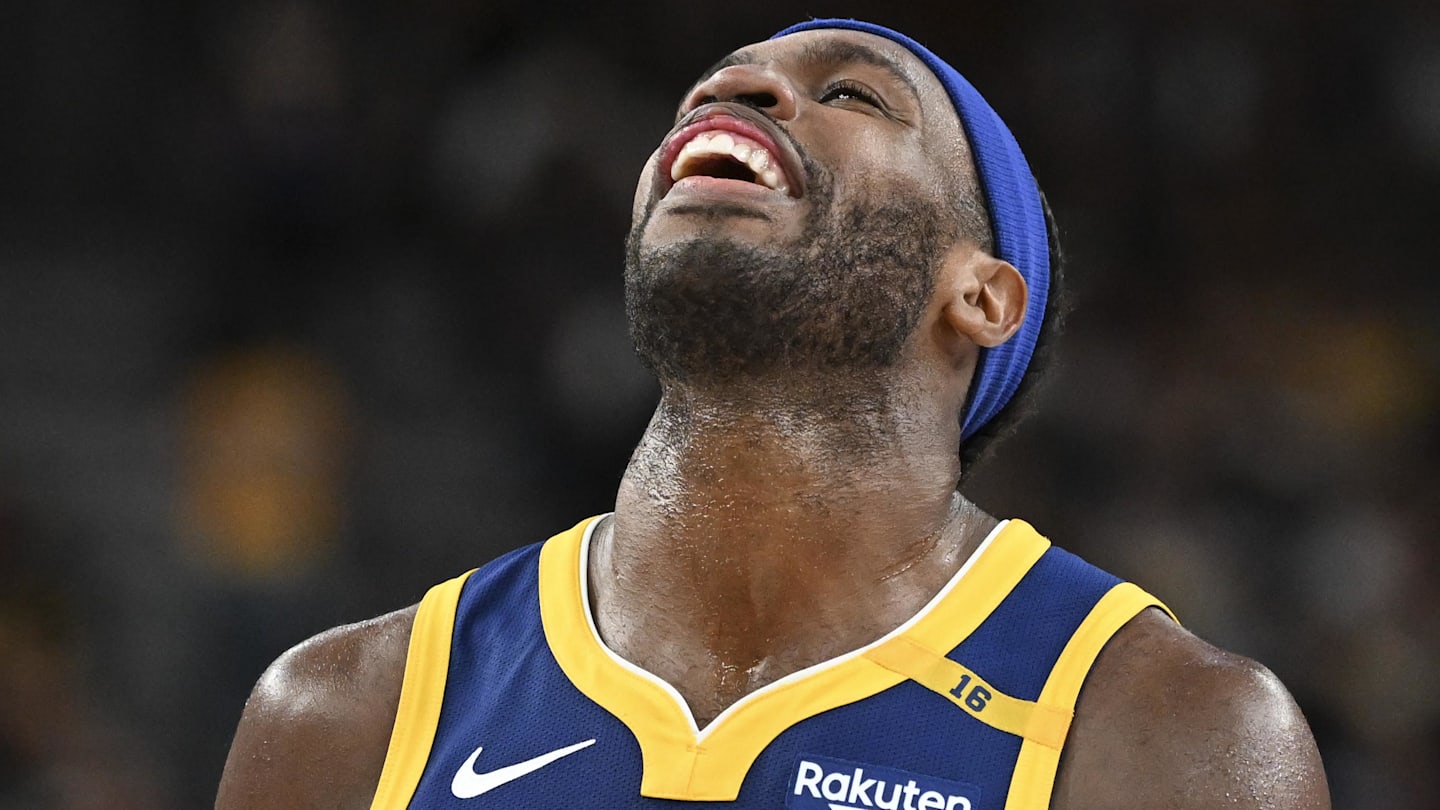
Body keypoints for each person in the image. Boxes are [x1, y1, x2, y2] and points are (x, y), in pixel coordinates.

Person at [215, 18, 1330, 810]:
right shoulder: (344, 716)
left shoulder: (1164, 733)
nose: (734, 92)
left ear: (982, 295)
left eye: (852, 95)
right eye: (717, 82)